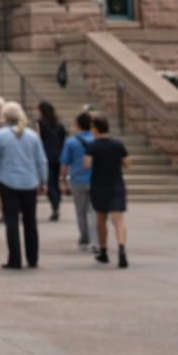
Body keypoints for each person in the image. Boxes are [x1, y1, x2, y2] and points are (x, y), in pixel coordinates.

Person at [0, 101, 49, 270]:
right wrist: (43, 180)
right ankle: (33, 258)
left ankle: (14, 259)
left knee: (11, 220)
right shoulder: (32, 135)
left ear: (4, 117)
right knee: (30, 221)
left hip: (8, 182)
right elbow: (41, 160)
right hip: (29, 183)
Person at [84, 116, 131, 268]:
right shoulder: (118, 143)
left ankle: (103, 250)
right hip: (116, 185)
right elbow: (127, 163)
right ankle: (122, 247)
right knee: (118, 220)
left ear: (95, 129)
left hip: (99, 185)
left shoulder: (92, 145)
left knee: (101, 219)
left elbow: (87, 164)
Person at [60, 111, 97, 251]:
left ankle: (84, 238)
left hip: (77, 180)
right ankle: (96, 241)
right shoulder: (96, 139)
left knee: (80, 211)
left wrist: (63, 182)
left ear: (77, 125)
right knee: (94, 210)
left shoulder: (71, 141)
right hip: (94, 179)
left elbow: (64, 164)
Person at [37, 101, 67, 223]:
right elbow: (63, 141)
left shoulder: (39, 123)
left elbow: (38, 140)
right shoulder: (60, 125)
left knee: (49, 183)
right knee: (55, 182)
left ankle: (55, 206)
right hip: (59, 155)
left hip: (47, 156)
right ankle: (57, 205)